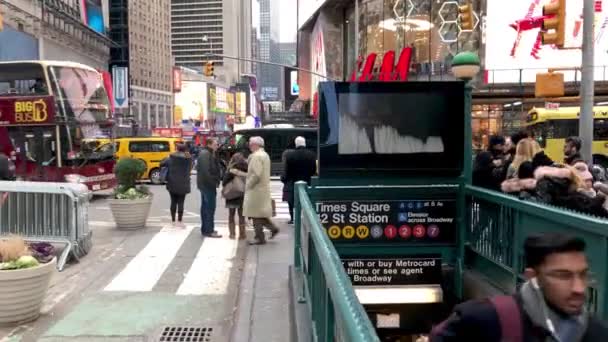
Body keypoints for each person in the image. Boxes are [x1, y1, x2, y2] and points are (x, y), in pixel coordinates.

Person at [431, 232, 608, 341]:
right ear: (533, 277)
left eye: (583, 275)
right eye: (563, 276)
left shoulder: (595, 333)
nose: (578, 288)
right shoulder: (487, 317)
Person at [242, 136, 279, 245]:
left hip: (255, 190)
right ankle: (272, 229)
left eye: (250, 143)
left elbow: (256, 174)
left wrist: (248, 185)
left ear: (255, 145)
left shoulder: (256, 156)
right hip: (262, 189)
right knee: (259, 214)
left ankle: (259, 237)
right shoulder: (265, 155)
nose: (249, 145)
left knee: (255, 215)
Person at [282, 136, 317, 224]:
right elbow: (313, 170)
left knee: (291, 201)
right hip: (307, 181)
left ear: (296, 144)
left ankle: (293, 218)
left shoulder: (290, 155)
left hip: (294, 182)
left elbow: (287, 171)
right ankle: (307, 218)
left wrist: (284, 179)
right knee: (307, 201)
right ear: (304, 143)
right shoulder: (312, 155)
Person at [161, 144, 192, 227]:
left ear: (177, 149)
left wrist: (167, 157)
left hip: (172, 182)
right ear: (185, 149)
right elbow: (190, 168)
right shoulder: (188, 159)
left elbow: (161, 164)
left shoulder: (171, 158)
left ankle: (173, 220)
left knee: (173, 201)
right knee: (181, 202)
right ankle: (180, 220)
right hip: (184, 183)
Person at [197, 138, 222, 238]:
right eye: (216, 144)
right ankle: (208, 230)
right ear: (209, 144)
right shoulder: (205, 154)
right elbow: (205, 172)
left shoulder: (208, 153)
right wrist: (213, 182)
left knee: (206, 207)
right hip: (207, 185)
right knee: (209, 208)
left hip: (206, 185)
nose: (217, 145)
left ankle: (206, 229)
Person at [222, 152, 248, 239]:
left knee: (231, 214)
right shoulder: (247, 168)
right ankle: (242, 234)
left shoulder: (231, 170)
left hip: (232, 194)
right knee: (241, 215)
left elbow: (224, 182)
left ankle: (232, 234)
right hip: (242, 194)